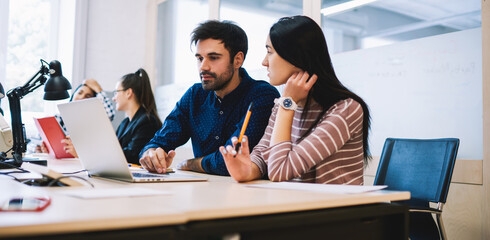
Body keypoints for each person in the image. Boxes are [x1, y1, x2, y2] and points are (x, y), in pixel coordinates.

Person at [220, 15, 371, 185]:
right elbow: (263, 155)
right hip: (297, 204)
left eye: (270, 52)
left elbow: (279, 171)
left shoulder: (346, 109)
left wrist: (287, 104)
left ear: (296, 57)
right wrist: (247, 170)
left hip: (337, 209)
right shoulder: (285, 104)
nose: (264, 62)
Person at [139, 20, 280, 175]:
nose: (203, 67)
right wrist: (150, 153)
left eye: (213, 57)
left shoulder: (262, 96)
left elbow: (230, 160)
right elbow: (159, 141)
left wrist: (191, 163)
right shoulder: (195, 95)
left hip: (246, 193)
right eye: (200, 58)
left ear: (237, 60)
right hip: (204, 192)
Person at [31, 78, 115, 153]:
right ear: (73, 96)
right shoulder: (58, 118)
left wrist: (98, 89)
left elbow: (109, 114)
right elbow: (33, 144)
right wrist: (38, 150)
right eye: (80, 93)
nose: (82, 97)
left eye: (88, 96)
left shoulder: (93, 123)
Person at [112, 68, 162, 164]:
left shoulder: (147, 121)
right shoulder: (125, 123)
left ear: (128, 93)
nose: (114, 98)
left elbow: (133, 156)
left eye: (116, 92)